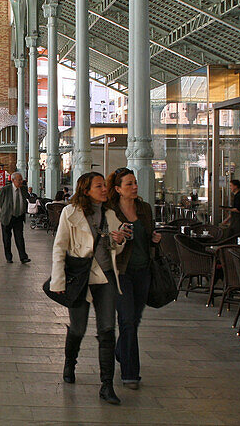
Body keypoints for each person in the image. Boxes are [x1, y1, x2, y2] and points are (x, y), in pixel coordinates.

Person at [50, 172, 125, 405]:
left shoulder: (111, 214)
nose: (104, 189)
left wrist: (120, 240)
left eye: (105, 185)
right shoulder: (70, 213)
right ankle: (70, 362)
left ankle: (107, 385)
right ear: (86, 190)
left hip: (105, 278)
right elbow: (59, 247)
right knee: (78, 328)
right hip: (80, 277)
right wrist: (58, 280)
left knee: (107, 330)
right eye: (99, 186)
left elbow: (115, 249)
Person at [107, 167, 161, 390]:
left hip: (143, 270)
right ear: (118, 189)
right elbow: (103, 239)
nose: (134, 187)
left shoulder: (145, 209)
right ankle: (131, 374)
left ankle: (121, 351)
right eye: (129, 184)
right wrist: (116, 237)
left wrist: (154, 240)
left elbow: (148, 236)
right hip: (121, 272)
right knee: (127, 320)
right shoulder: (111, 211)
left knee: (133, 321)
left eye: (135, 183)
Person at [0, 172, 31, 263]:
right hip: (7, 217)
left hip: (19, 217)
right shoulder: (5, 189)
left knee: (20, 237)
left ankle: (23, 257)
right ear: (13, 180)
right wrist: (7, 211)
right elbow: (0, 202)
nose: (21, 181)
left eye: (21, 179)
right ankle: (9, 257)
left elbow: (26, 199)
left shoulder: (24, 189)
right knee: (7, 238)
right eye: (19, 180)